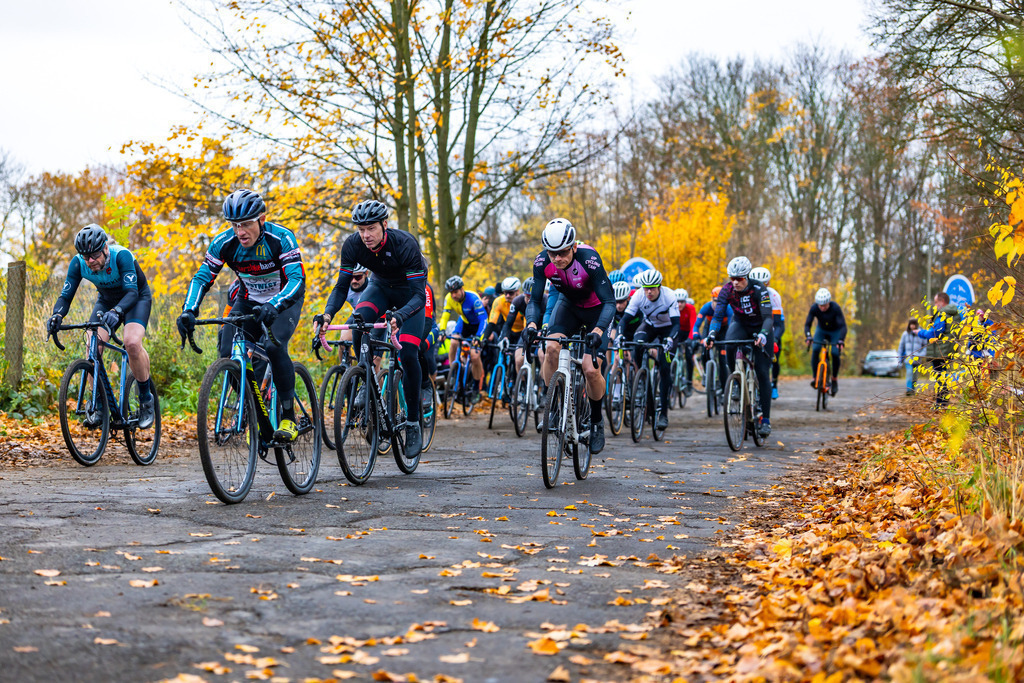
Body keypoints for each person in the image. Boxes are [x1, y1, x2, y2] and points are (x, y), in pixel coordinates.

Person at [177, 189, 305, 442]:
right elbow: (202, 277)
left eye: (246, 224)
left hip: (284, 300)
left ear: (261, 219)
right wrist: (189, 309)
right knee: (228, 352)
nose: (240, 231)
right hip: (248, 301)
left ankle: (289, 417)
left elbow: (296, 279)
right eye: (235, 225)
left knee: (273, 346)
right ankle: (254, 410)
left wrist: (276, 304)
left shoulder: (281, 238)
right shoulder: (224, 243)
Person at [317, 199, 428, 456]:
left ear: (384, 225)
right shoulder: (353, 245)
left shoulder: (405, 244)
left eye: (371, 229)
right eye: (361, 229)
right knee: (358, 321)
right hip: (380, 288)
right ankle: (366, 378)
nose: (365, 235)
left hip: (409, 295)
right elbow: (341, 287)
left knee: (408, 352)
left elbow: (419, 296)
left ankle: (413, 422)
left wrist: (400, 315)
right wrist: (327, 314)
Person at [48, 224, 156, 429]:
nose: (90, 261)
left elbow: (132, 293)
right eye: (85, 256)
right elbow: (65, 297)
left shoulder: (122, 256)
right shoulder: (78, 263)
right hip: (106, 300)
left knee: (132, 343)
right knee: (92, 346)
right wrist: (57, 315)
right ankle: (98, 404)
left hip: (135, 298)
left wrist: (117, 312)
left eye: (95, 255)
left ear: (106, 248)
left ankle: (145, 399)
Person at [522, 218, 615, 455]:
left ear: (573, 246)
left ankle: (596, 421)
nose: (557, 258)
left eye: (562, 252)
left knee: (590, 369)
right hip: (570, 307)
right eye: (552, 253)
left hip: (597, 310)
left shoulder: (589, 259)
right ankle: (554, 407)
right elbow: (535, 300)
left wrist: (598, 330)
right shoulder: (542, 262)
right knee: (550, 349)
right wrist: (531, 323)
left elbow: (609, 302)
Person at [703, 256, 774, 437]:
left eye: (739, 279)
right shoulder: (727, 290)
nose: (735, 282)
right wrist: (711, 334)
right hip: (741, 325)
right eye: (732, 278)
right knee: (729, 344)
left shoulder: (759, 288)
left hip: (761, 327)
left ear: (747, 277)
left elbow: (768, 317)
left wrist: (763, 335)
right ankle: (735, 380)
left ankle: (765, 420)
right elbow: (718, 317)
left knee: (762, 371)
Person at [619, 270, 681, 430]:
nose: (649, 292)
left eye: (652, 288)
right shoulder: (638, 295)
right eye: (646, 288)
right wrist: (619, 334)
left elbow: (676, 324)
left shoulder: (669, 296)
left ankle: (664, 415)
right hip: (650, 326)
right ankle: (642, 376)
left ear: (659, 287)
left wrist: (670, 338)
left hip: (668, 329)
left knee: (665, 367)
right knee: (637, 345)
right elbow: (624, 320)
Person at [439, 275, 488, 403]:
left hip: (477, 326)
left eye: (455, 292)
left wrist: (479, 336)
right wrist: (442, 330)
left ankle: (476, 388)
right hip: (464, 323)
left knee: (475, 357)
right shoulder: (449, 298)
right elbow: (445, 316)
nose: (453, 295)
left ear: (462, 289)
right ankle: (453, 372)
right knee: (453, 341)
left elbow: (484, 319)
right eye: (451, 292)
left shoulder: (473, 299)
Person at [916, 291, 961, 407]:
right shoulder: (955, 314)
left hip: (940, 351)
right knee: (944, 378)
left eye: (936, 302)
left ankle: (940, 404)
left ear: (942, 301)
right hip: (949, 351)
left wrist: (920, 332)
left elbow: (934, 333)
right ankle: (943, 403)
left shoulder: (942, 314)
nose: (935, 305)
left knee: (939, 379)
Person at [748, 267, 785, 399]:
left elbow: (779, 324)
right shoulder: (746, 294)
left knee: (773, 358)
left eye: (763, 284)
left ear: (768, 283)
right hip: (753, 328)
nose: (759, 287)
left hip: (771, 329)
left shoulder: (774, 296)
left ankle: (773, 384)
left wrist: (775, 339)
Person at [804, 287, 846, 396]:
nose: (822, 308)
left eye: (825, 305)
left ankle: (834, 379)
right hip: (821, 330)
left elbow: (843, 326)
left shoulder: (835, 308)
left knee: (835, 353)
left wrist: (841, 340)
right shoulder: (814, 308)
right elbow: (807, 324)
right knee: (816, 349)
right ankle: (815, 378)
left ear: (829, 303)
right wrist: (808, 337)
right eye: (820, 306)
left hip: (835, 331)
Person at [674, 288, 696, 396]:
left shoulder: (690, 308)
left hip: (687, 332)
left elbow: (693, 324)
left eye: (682, 302)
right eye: (677, 302)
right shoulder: (672, 308)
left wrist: (690, 339)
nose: (679, 304)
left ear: (685, 302)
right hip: (677, 332)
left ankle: (689, 382)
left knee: (688, 355)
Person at [897, 318, 927, 396]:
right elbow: (901, 347)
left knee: (915, 376)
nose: (912, 326)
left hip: (917, 359)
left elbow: (925, 346)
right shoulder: (905, 334)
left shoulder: (921, 334)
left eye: (914, 324)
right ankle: (909, 390)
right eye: (911, 324)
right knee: (909, 374)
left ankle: (913, 390)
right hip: (908, 359)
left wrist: (920, 354)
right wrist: (900, 359)